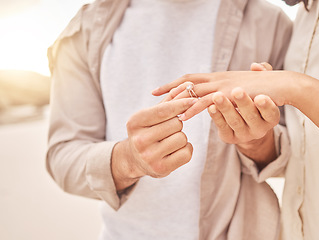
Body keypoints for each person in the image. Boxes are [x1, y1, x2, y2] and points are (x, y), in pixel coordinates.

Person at [46, 0, 293, 239]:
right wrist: (129, 160)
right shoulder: (86, 28)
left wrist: (255, 142)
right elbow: (63, 155)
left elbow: (297, 154)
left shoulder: (271, 24)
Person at [153, 0, 319, 239]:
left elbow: (297, 91)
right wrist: (256, 140)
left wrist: (296, 87)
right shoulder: (304, 17)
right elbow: (311, 152)